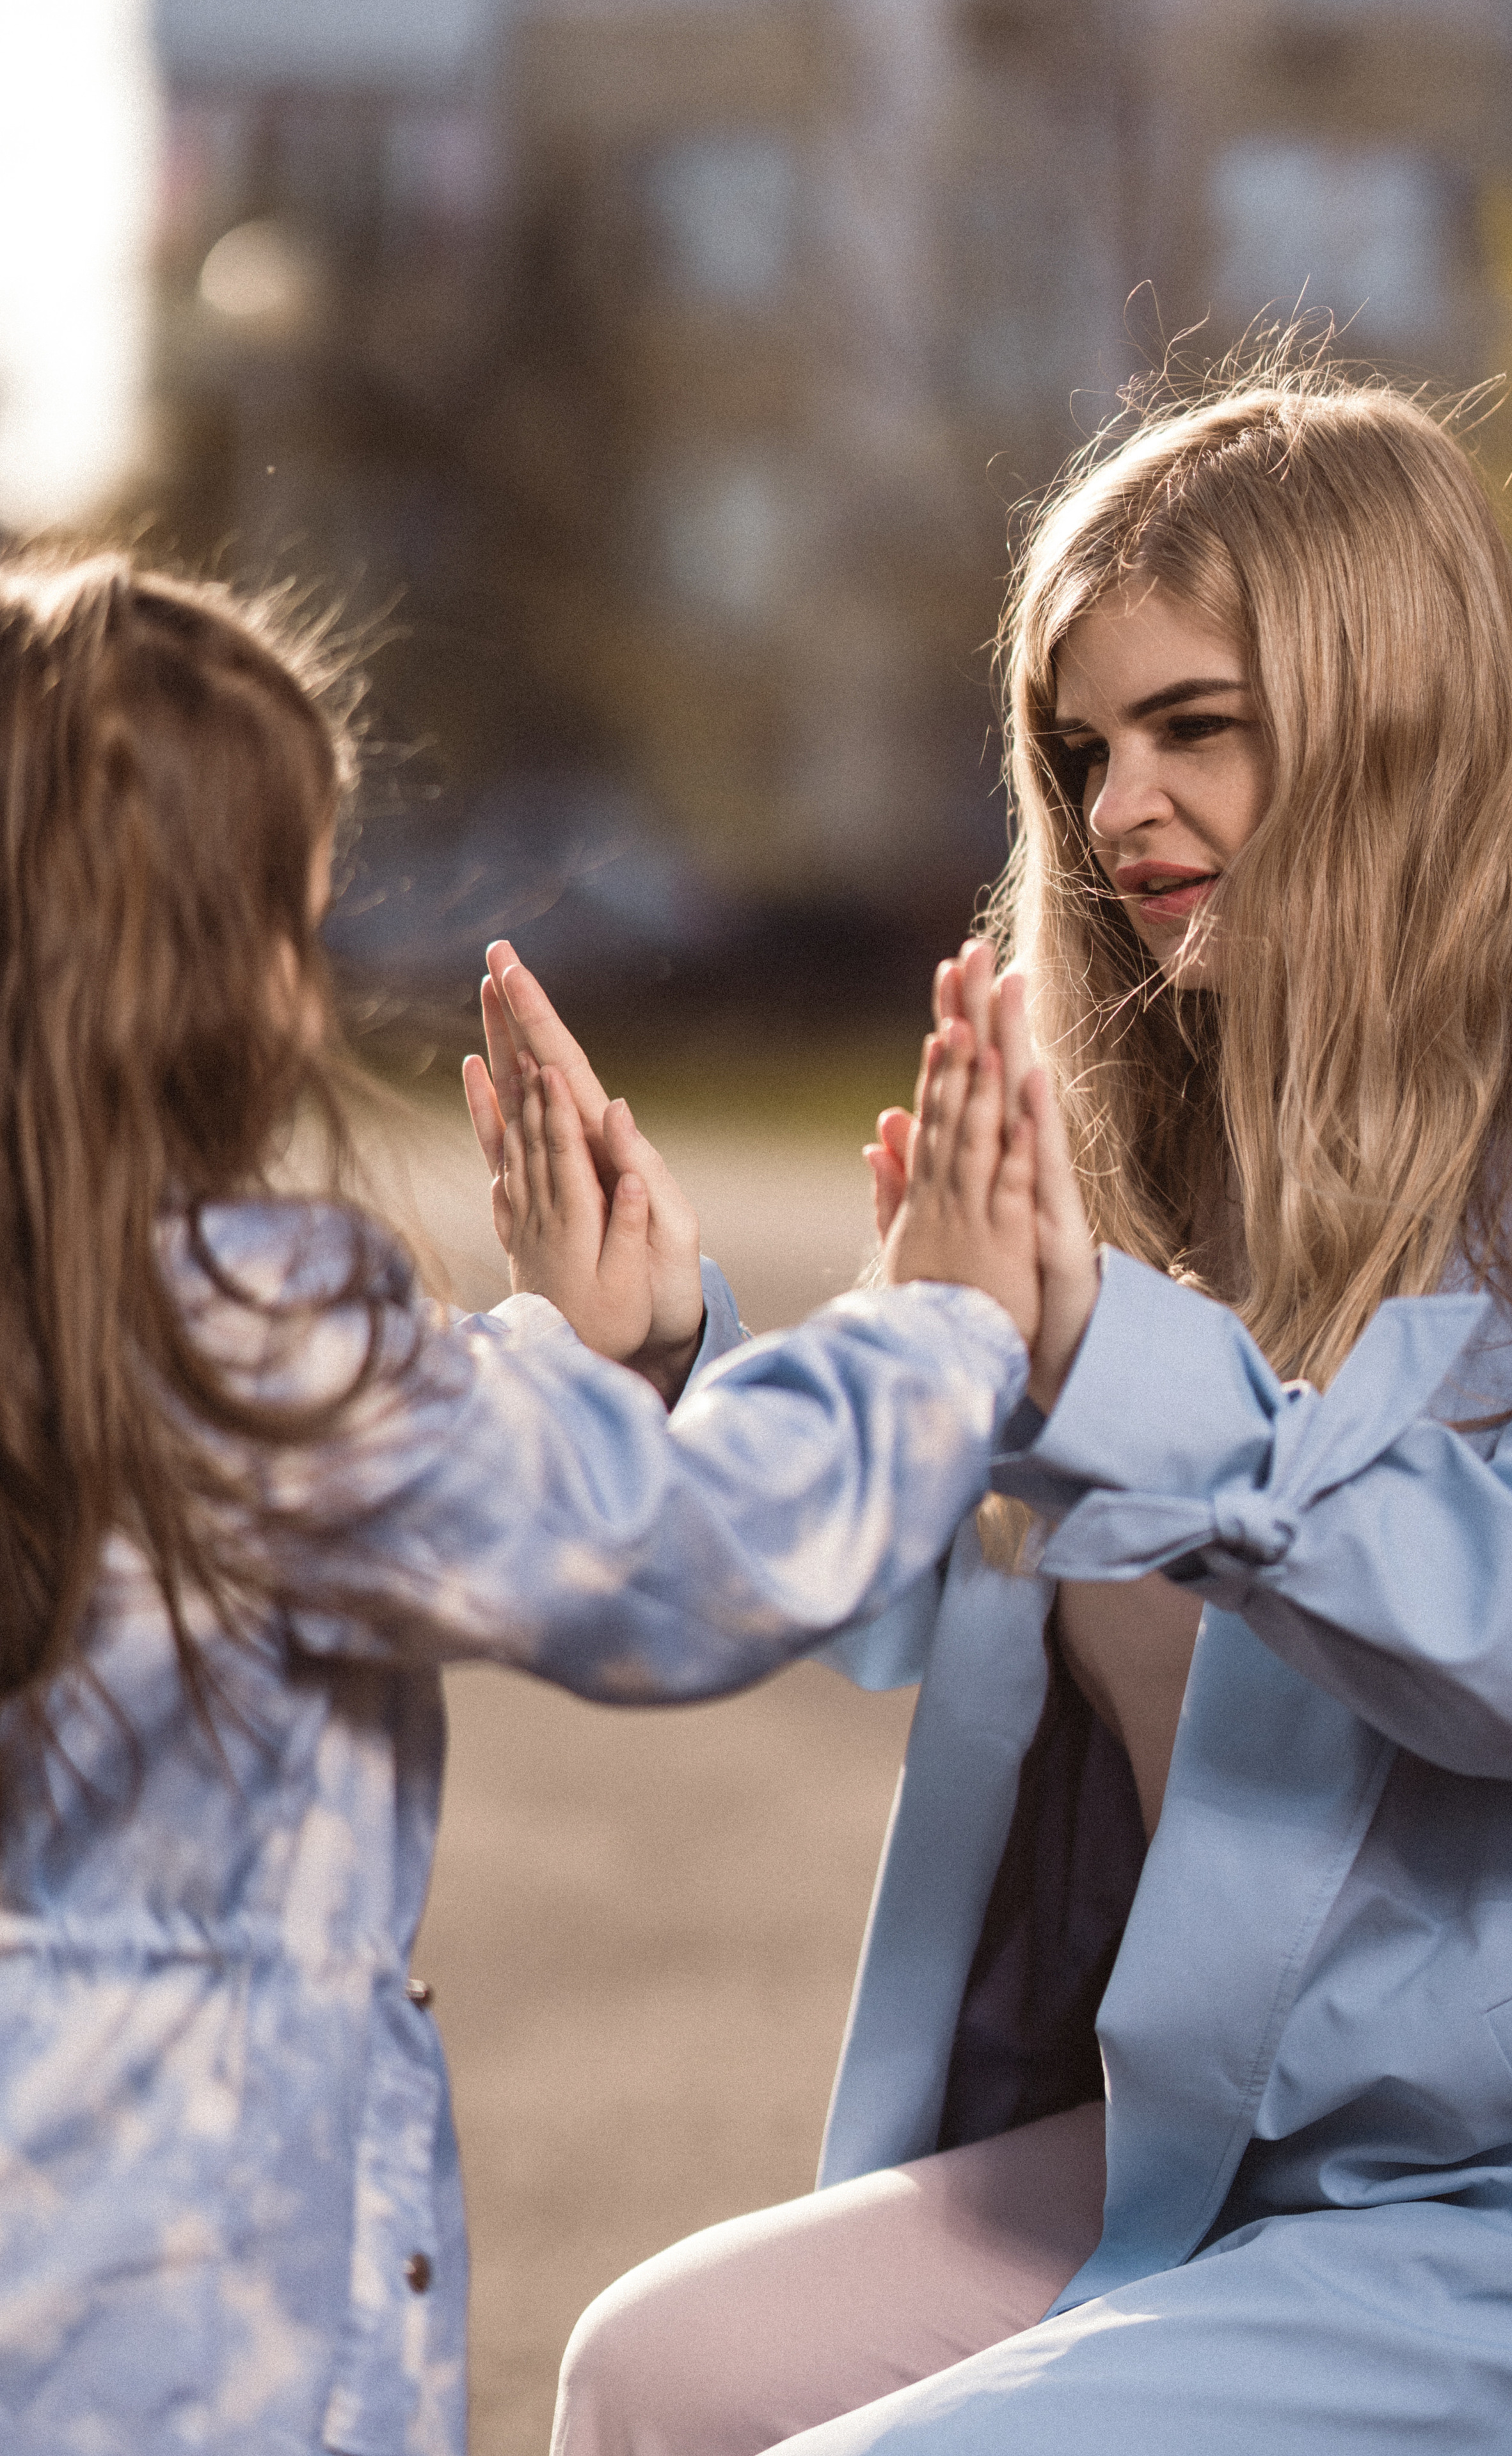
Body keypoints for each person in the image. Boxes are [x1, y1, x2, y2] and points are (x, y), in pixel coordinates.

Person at [541, 355, 1512, 2453]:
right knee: (648, 2377)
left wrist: (1107, 1371)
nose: (1116, 807)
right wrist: (668, 1364)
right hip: (1232, 2126)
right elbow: (956, 1604)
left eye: (1192, 728)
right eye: (1081, 747)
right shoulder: (1158, 1110)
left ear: (1391, 704)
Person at [0, 550, 1094, 2456]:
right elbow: (682, 1557)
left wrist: (568, 1350)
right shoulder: (264, 1349)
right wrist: (940, 1330)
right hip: (193, 2316)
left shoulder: (117, 1331)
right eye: (296, 917)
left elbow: (385, 1467)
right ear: (210, 969)